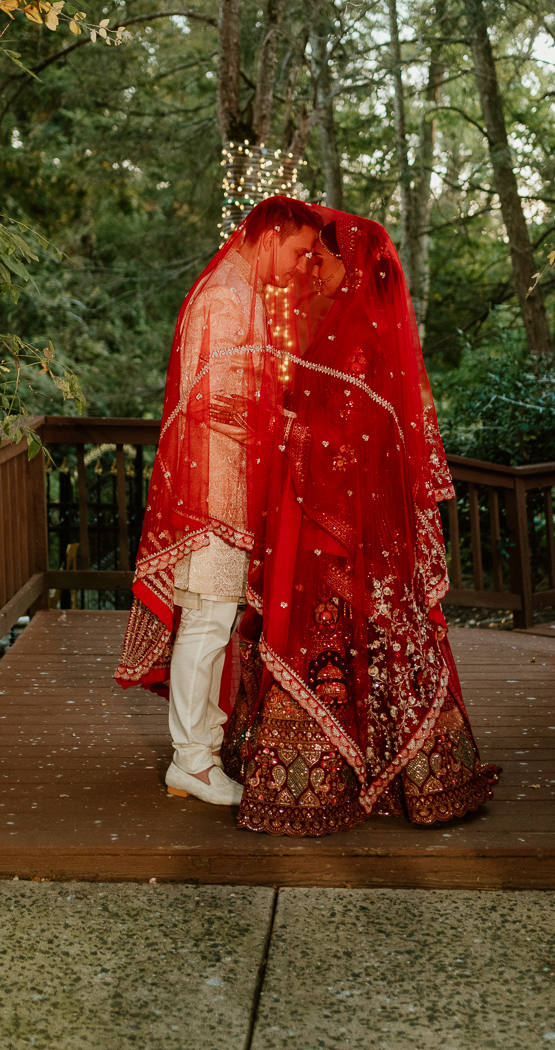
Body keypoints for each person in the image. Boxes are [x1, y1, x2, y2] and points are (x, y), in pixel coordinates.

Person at [221, 208, 501, 834]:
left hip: (344, 526)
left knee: (343, 631)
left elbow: (353, 436)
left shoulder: (360, 336)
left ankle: (355, 777)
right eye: (311, 256)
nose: (313, 267)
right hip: (332, 518)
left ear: (355, 266)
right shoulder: (332, 327)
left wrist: (279, 428)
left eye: (323, 257)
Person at [114, 196, 321, 805]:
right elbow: (212, 404)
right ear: (271, 236)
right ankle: (192, 762)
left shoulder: (245, 293)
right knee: (205, 622)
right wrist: (291, 428)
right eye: (299, 251)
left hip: (231, 484)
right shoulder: (223, 298)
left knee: (216, 621)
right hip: (212, 490)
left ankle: (204, 747)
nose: (301, 265)